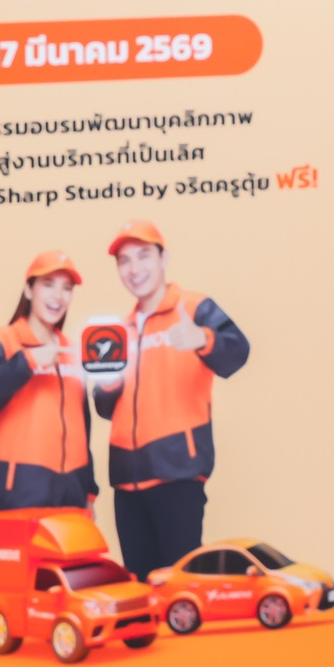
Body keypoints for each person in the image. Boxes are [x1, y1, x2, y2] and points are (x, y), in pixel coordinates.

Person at [92, 220, 250, 578]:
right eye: (124, 261)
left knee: (179, 587)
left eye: (143, 256)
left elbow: (238, 352)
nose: (134, 268)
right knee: (141, 587)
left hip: (178, 473)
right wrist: (108, 386)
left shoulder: (194, 308)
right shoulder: (118, 330)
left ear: (164, 259)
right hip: (126, 480)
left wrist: (203, 338)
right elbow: (104, 407)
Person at [0, 251, 98, 512]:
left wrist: (89, 491)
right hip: (18, 494)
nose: (58, 296)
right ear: (28, 289)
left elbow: (83, 425)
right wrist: (29, 361)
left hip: (72, 496)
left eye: (66, 288)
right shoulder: (4, 341)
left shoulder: (73, 352)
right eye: (48, 285)